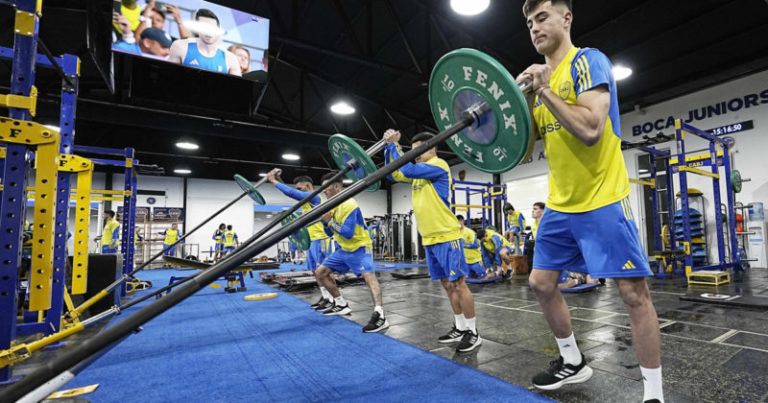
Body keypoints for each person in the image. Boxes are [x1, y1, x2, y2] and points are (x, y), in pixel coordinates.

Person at [519, 1, 662, 401]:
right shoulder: (539, 88)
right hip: (561, 204)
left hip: (603, 197)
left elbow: (592, 129)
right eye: (529, 23)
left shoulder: (588, 61)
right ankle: (573, 362)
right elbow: (522, 151)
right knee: (541, 283)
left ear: (566, 18)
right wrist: (510, 107)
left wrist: (545, 89)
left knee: (633, 295)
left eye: (542, 17)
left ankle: (653, 394)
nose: (534, 28)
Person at [384, 129, 481, 353]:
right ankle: (459, 327)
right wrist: (390, 149)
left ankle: (473, 332)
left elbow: (405, 167)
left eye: (418, 150)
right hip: (429, 238)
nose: (415, 154)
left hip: (447, 235)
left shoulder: (439, 165)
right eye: (412, 151)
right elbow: (393, 174)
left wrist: (394, 146)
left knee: (459, 284)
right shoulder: (418, 173)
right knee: (447, 285)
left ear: (432, 148)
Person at [316, 172, 388, 333]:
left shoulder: (349, 204)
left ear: (336, 186)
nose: (324, 191)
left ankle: (381, 316)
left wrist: (329, 221)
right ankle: (340, 303)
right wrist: (326, 224)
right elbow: (329, 234)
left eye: (326, 187)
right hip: (343, 249)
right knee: (320, 273)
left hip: (360, 247)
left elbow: (348, 232)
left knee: (369, 278)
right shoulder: (332, 205)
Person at [266, 169, 334, 310]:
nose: (297, 191)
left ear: (308, 186)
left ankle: (334, 298)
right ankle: (325, 297)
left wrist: (273, 181)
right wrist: (280, 179)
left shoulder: (315, 197)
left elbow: (293, 193)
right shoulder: (306, 197)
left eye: (300, 188)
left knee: (325, 271)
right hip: (311, 239)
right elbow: (293, 193)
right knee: (315, 272)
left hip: (321, 238)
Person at [167, 9, 241, 75]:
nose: (208, 32)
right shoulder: (180, 47)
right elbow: (168, 76)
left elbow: (238, 88)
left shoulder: (230, 58)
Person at [457, 216, 493, 280]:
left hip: (476, 261)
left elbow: (476, 245)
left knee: (483, 278)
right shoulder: (457, 233)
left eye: (459, 221)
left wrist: (463, 245)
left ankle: (497, 273)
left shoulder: (470, 232)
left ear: (462, 221)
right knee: (468, 279)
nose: (457, 224)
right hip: (467, 261)